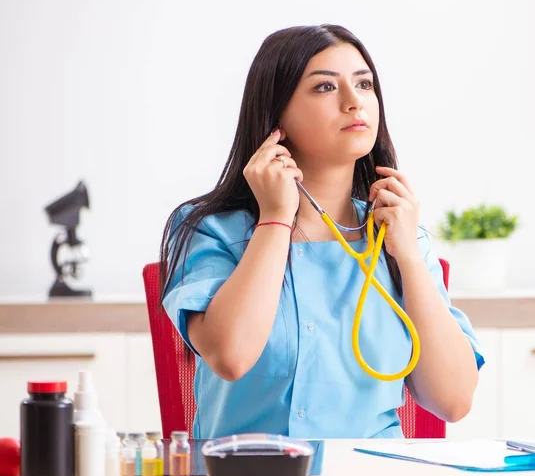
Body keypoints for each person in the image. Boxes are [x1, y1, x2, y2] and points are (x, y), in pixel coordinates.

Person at [160, 24, 484, 440]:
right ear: (277, 114)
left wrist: (407, 255)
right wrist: (276, 218)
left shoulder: (398, 234)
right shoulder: (209, 230)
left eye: (364, 84)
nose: (354, 102)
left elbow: (453, 401)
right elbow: (231, 356)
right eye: (325, 87)